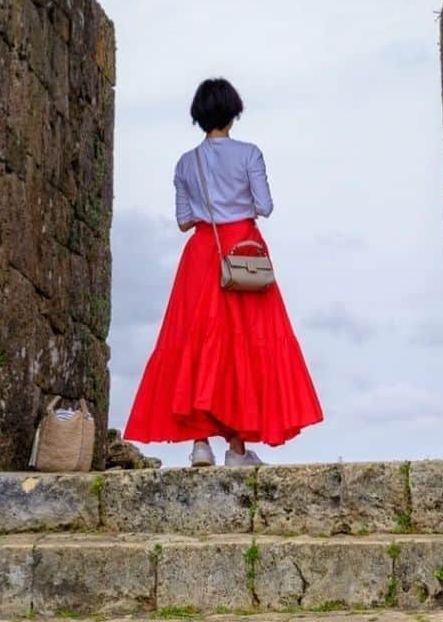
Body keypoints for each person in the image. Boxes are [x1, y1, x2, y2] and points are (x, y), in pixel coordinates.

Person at [124, 77, 323, 467]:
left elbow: (184, 220)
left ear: (198, 117)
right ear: (234, 113)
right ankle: (236, 447)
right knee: (244, 346)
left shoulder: (186, 162)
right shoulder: (250, 154)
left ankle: (201, 443)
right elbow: (263, 206)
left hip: (202, 253)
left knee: (197, 343)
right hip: (243, 253)